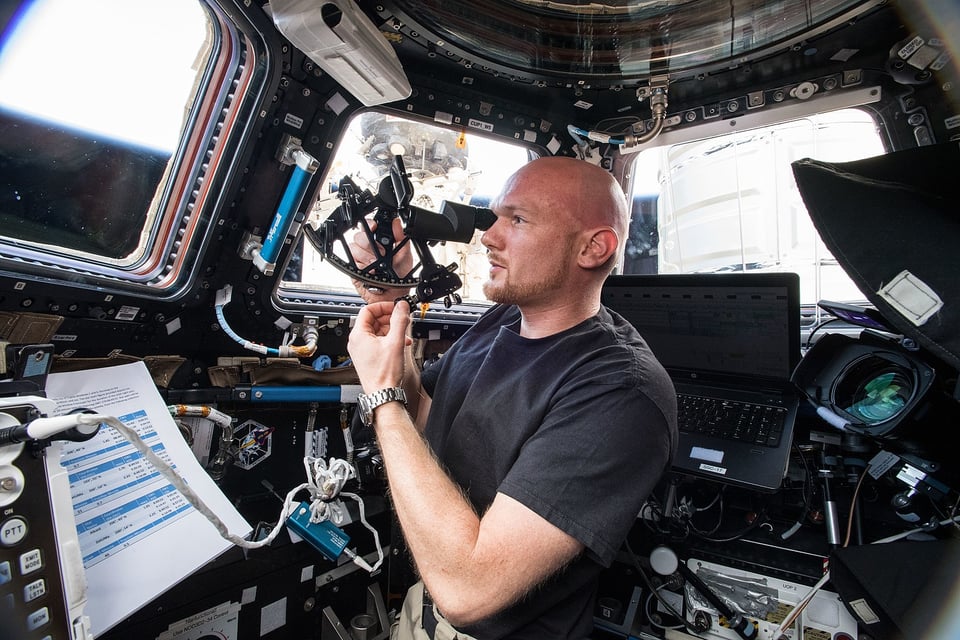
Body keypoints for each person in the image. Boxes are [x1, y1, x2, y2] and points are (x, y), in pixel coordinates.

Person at [347, 156, 678, 639]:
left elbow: (468, 590)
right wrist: (391, 299)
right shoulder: (502, 321)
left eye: (518, 220)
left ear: (594, 247)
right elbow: (426, 419)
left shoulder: (621, 392)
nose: (488, 236)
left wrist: (382, 399)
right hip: (426, 606)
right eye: (497, 215)